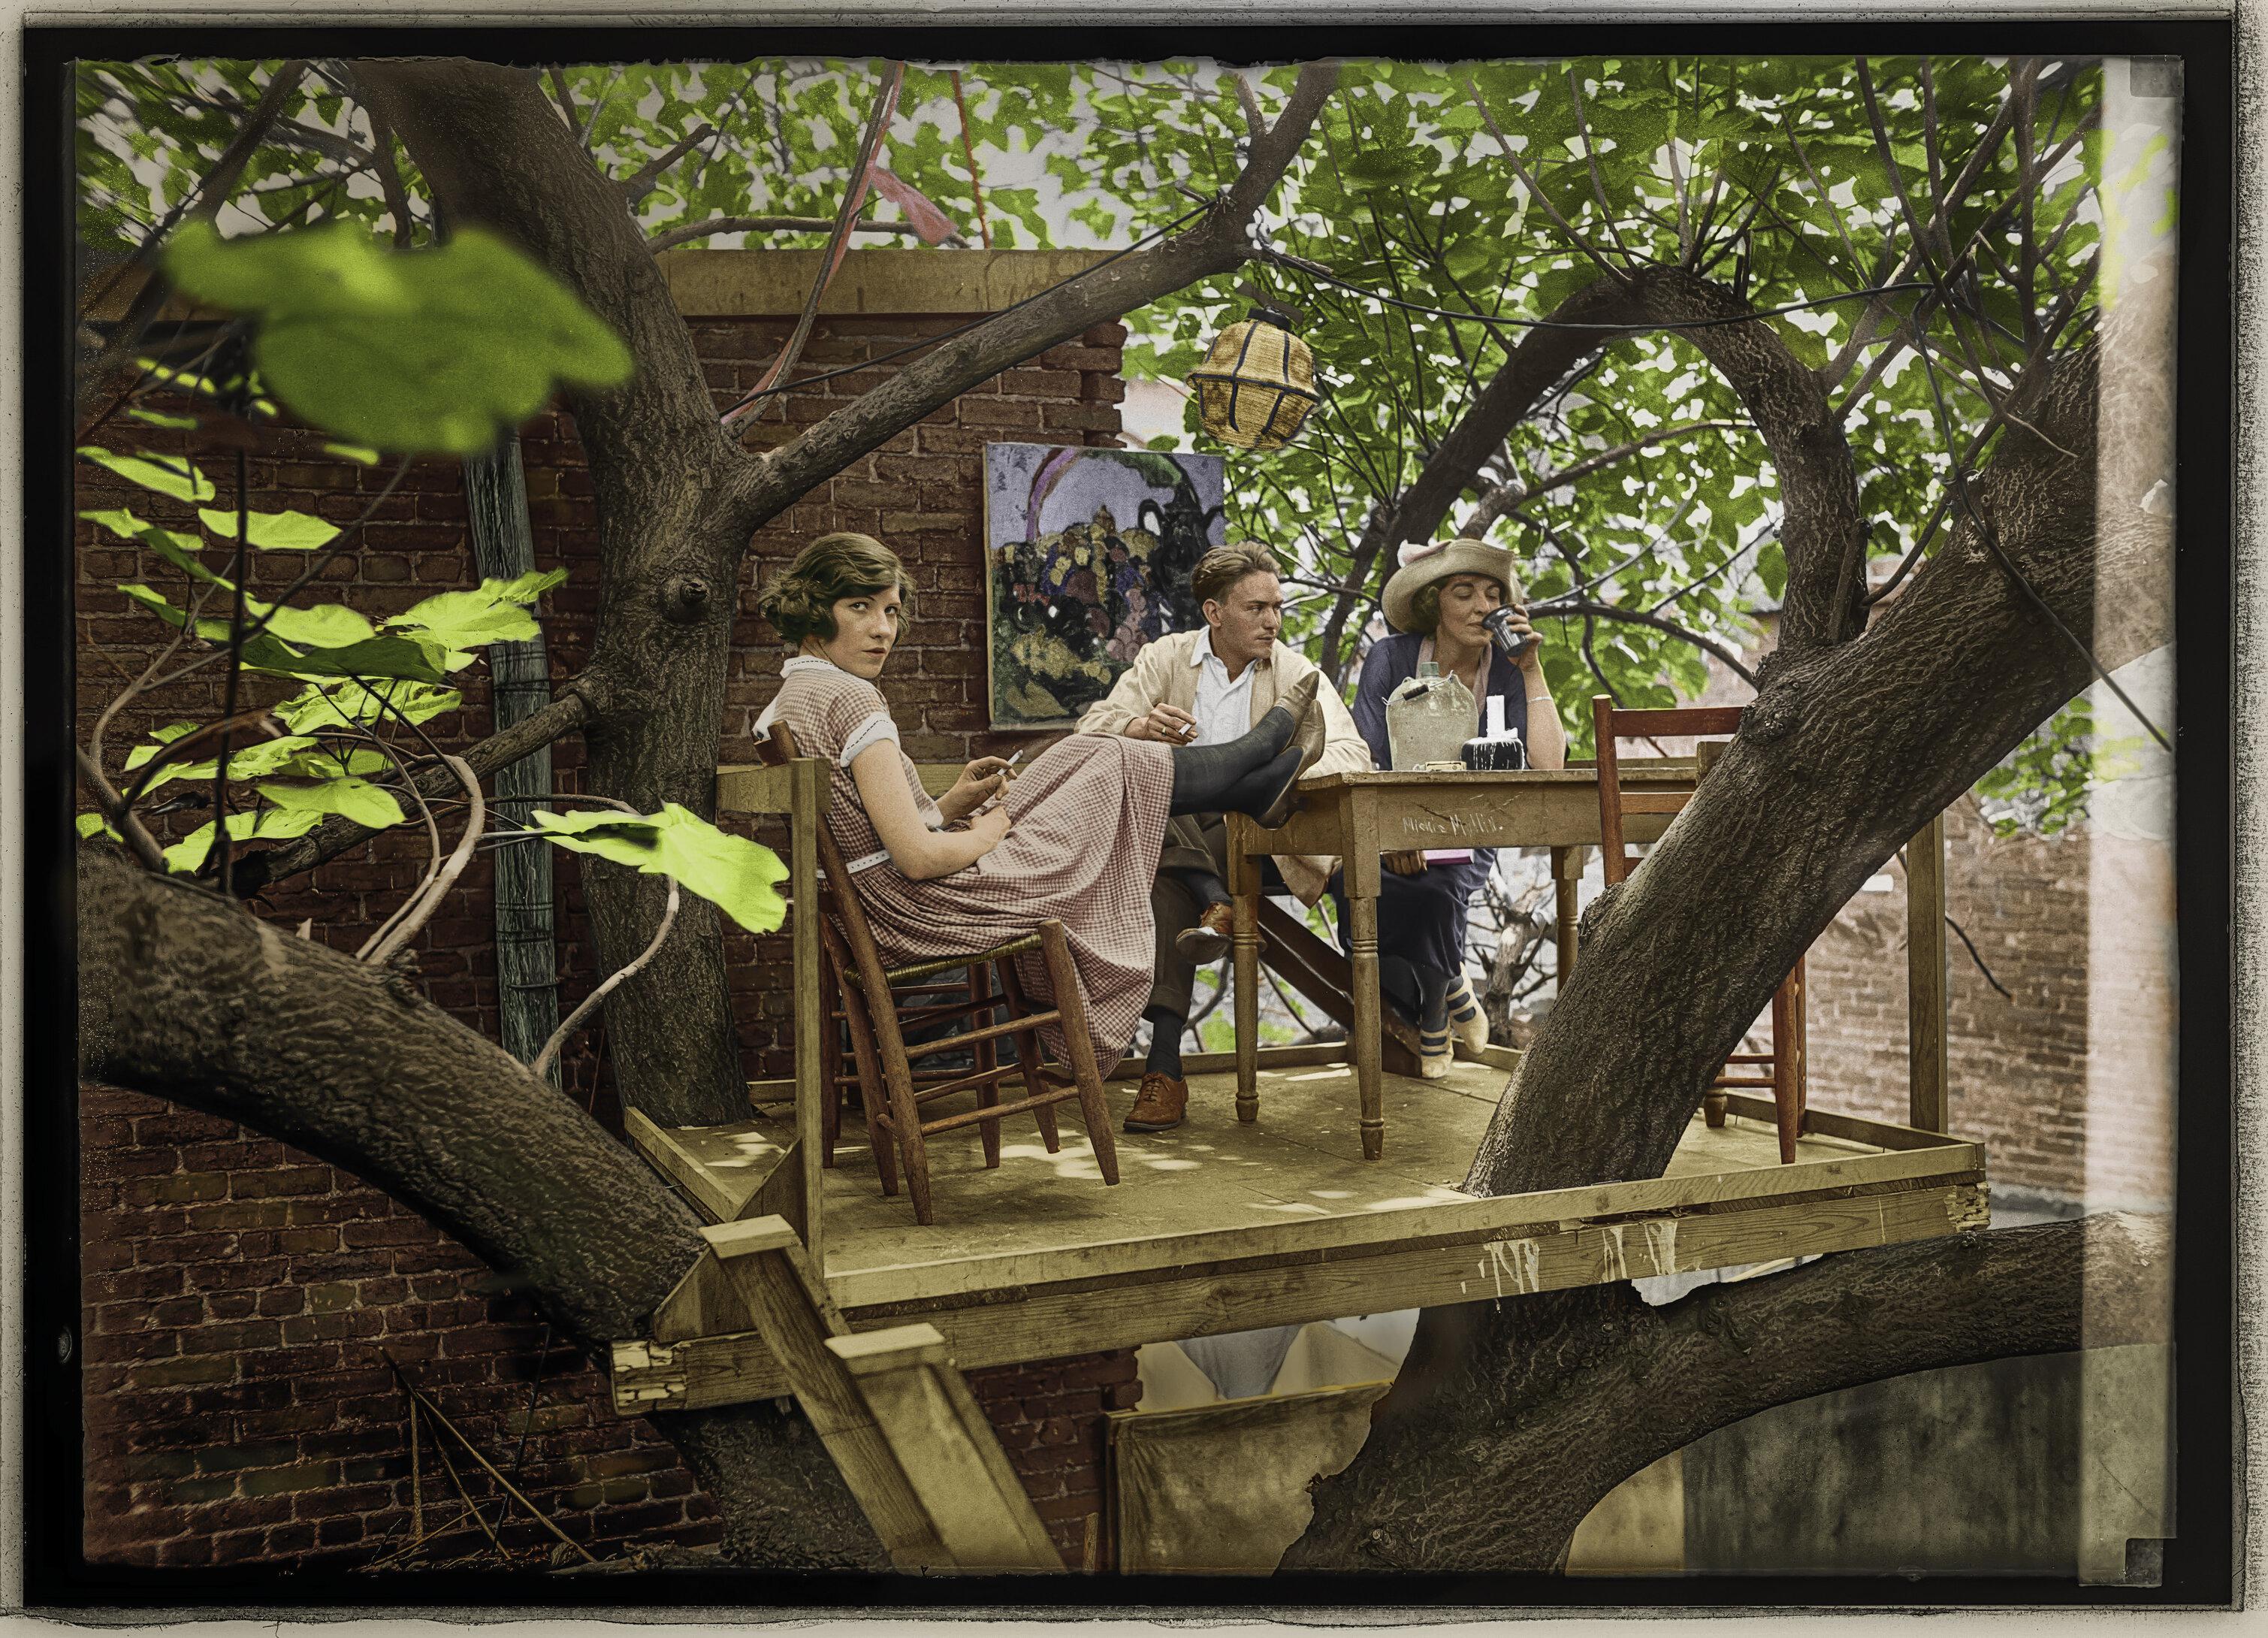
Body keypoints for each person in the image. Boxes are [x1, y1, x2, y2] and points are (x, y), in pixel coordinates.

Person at [753, 532, 1313, 1079]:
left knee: (1081, 752)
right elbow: (918, 859)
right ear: (813, 609)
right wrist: (989, 830)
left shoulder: (793, 697)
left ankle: (1246, 778)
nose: (883, 630)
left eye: (892, 611)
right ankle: (1253, 761)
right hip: (931, 903)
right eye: (860, 608)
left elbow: (873, 829)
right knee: (1102, 764)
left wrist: (951, 805)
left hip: (892, 900)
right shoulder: (851, 699)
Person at [1077, 540, 1371, 1132]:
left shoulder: (1295, 671)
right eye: (1256, 609)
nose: (1272, 622)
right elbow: (1092, 731)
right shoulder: (1166, 659)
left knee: (1163, 848)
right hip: (1176, 828)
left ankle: (1164, 1070)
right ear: (1214, 613)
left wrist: (1288, 771)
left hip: (1249, 839)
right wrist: (1137, 726)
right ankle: (1215, 892)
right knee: (1151, 789)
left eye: (1277, 608)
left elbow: (1350, 753)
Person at [1342, 536, 1567, 1077]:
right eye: (1462, 593)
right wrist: (1395, 833)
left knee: (1442, 890)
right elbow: (1363, 755)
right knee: (1348, 887)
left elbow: (1549, 765)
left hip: (1472, 826)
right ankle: (1456, 995)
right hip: (1390, 822)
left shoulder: (1509, 668)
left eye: (1492, 594)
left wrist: (1532, 668)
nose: (1481, 607)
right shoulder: (1391, 657)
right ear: (1431, 605)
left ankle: (1433, 1018)